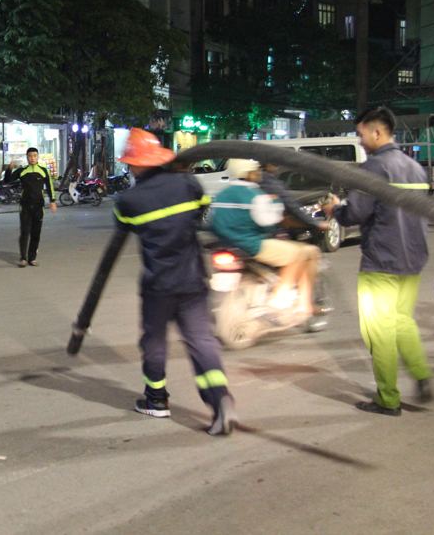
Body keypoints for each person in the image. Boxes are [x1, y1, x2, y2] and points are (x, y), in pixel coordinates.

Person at [114, 129, 236, 435]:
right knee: (201, 342)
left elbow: (123, 226)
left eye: (130, 163)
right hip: (193, 279)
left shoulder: (129, 200)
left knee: (154, 344)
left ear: (139, 164)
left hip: (158, 286)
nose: (129, 168)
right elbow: (203, 206)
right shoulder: (187, 183)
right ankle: (219, 399)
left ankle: (156, 400)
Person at [323, 107, 433, 416]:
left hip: (382, 259)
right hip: (413, 257)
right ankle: (422, 374)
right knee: (402, 321)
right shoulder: (415, 168)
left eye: (360, 135)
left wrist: (335, 210)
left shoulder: (373, 169)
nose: (360, 141)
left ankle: (388, 399)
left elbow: (355, 213)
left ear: (377, 132)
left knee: (378, 331)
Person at [211, 159, 321, 319]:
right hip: (252, 244)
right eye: (255, 171)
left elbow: (211, 222)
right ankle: (280, 298)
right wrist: (275, 204)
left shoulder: (221, 195)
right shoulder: (255, 195)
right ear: (247, 174)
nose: (258, 174)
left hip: (225, 245)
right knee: (299, 254)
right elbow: (268, 223)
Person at [13, 147, 57, 267]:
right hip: (25, 206)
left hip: (39, 206)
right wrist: (10, 168)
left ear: (38, 157)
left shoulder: (43, 170)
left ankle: (32, 258)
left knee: (36, 233)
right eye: (30, 156)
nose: (32, 158)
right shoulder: (22, 171)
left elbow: (49, 186)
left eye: (35, 155)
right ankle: (23, 258)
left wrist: (52, 201)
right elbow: (8, 179)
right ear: (27, 157)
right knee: (24, 232)